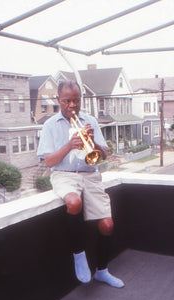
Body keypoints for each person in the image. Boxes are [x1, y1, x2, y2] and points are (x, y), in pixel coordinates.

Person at [37, 80, 124, 288]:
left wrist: (92, 143)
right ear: (59, 100)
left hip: (89, 174)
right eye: (67, 101)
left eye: (76, 100)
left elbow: (102, 155)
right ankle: (79, 254)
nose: (72, 105)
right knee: (74, 203)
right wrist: (69, 145)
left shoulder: (91, 121)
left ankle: (102, 271)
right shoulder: (49, 125)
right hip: (64, 174)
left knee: (107, 225)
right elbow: (48, 161)